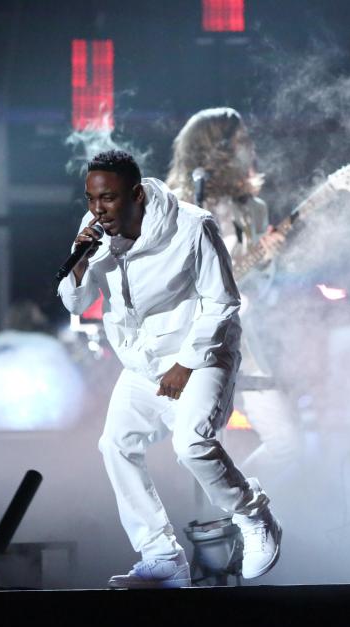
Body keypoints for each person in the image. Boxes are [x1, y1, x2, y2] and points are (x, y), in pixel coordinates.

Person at [57, 150, 282, 588]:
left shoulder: (193, 227)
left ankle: (254, 516)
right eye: (90, 199)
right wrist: (81, 260)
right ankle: (161, 554)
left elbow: (223, 303)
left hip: (201, 356)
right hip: (143, 364)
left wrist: (184, 363)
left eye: (108, 199)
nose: (97, 209)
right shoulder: (95, 236)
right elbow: (77, 302)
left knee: (192, 444)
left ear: (137, 194)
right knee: (115, 445)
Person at [166, 107, 303, 477]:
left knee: (287, 445)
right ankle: (208, 517)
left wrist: (265, 258)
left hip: (242, 338)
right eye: (242, 139)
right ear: (217, 147)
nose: (250, 147)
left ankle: (234, 512)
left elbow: (259, 285)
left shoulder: (253, 209)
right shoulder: (176, 206)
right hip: (188, 342)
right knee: (197, 447)